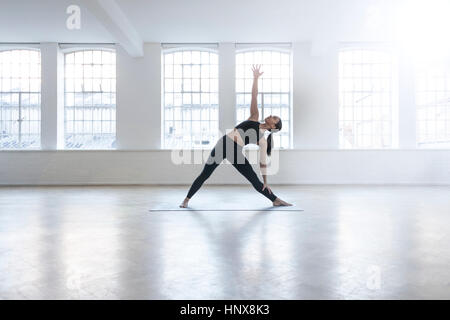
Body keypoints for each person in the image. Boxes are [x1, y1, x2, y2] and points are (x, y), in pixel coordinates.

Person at [180, 65, 292, 208]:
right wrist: (255, 78)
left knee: (253, 179)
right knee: (205, 174)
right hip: (223, 144)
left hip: (235, 152)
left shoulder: (262, 140)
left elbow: (262, 163)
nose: (270, 115)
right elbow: (254, 95)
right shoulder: (254, 117)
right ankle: (186, 200)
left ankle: (275, 200)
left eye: (274, 117)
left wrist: (265, 181)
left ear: (273, 127)